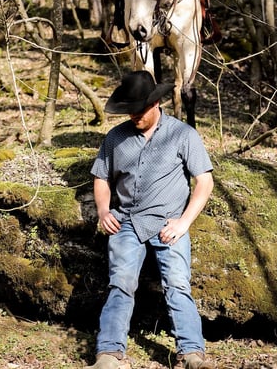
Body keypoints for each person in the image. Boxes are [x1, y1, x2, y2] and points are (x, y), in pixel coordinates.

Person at [87, 71, 216, 369]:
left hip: (168, 223)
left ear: (156, 102)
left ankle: (192, 354)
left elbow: (204, 182)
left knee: (178, 284)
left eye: (139, 110)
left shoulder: (182, 134)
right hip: (126, 221)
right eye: (129, 110)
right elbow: (101, 178)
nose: (133, 115)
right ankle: (108, 355)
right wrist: (104, 211)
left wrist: (184, 223)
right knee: (121, 283)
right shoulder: (115, 138)